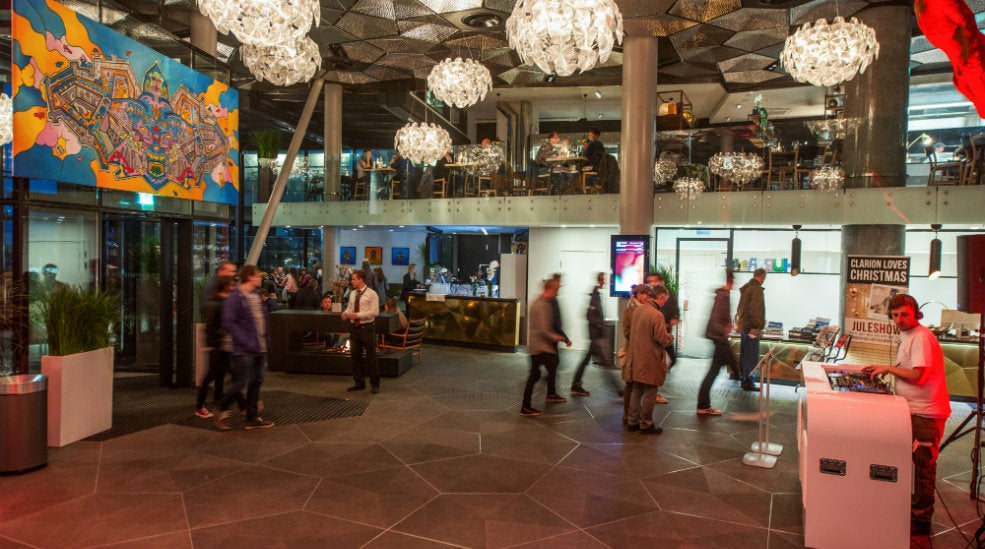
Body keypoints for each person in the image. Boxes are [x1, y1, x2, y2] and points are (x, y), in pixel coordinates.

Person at [863, 294, 951, 539]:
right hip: (916, 410)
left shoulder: (921, 337)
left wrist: (888, 368)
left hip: (926, 414)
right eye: (895, 315)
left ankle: (921, 519)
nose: (899, 320)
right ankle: (915, 513)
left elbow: (918, 376)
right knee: (916, 464)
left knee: (923, 467)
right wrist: (885, 369)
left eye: (904, 314)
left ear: (916, 314)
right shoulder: (909, 335)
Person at [214, 264, 274, 430]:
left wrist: (265, 341)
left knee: (256, 382)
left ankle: (252, 418)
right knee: (240, 382)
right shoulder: (236, 297)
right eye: (257, 275)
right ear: (250, 277)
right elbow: (228, 322)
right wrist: (245, 341)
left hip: (259, 348)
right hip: (245, 349)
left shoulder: (254, 295)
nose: (260, 278)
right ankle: (222, 407)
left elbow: (261, 319)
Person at [626, 284, 674, 434]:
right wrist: (670, 337)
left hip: (636, 357)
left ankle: (632, 421)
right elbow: (661, 339)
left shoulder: (638, 310)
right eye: (664, 300)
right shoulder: (656, 314)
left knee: (636, 390)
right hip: (650, 359)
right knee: (650, 391)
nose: (664, 303)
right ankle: (646, 424)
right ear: (660, 298)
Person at [520, 276, 571, 416]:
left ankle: (528, 404)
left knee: (538, 373)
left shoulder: (541, 302)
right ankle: (527, 405)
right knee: (541, 371)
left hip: (538, 346)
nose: (558, 293)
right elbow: (544, 330)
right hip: (541, 347)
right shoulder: (542, 304)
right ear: (550, 289)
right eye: (557, 289)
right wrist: (559, 337)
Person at [697, 269, 739, 416]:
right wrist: (724, 330)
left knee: (714, 370)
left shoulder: (723, 294)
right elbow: (716, 318)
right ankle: (742, 378)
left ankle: (703, 405)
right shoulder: (723, 295)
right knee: (720, 367)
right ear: (731, 281)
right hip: (719, 337)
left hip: (719, 336)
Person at [196, 274, 234, 419]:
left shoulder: (222, 302)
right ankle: (200, 406)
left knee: (223, 374)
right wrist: (212, 344)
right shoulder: (214, 304)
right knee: (210, 376)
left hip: (222, 345)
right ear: (225, 287)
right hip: (217, 346)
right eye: (231, 285)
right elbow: (210, 326)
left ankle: (221, 401)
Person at [570, 272, 614, 397]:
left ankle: (576, 383)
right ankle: (618, 391)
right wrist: (601, 324)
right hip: (596, 336)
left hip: (596, 336)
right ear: (598, 280)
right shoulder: (594, 296)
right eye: (602, 279)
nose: (604, 282)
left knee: (587, 361)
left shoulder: (596, 295)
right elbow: (589, 315)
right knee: (605, 366)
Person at [341, 269, 381, 393]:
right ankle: (359, 382)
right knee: (355, 356)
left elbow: (375, 312)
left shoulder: (372, 294)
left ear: (361, 280)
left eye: (353, 279)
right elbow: (350, 308)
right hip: (354, 329)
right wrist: (346, 313)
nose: (351, 281)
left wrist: (358, 315)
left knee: (371, 357)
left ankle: (375, 384)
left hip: (367, 328)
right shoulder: (353, 293)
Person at [736, 268, 767, 392]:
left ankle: (745, 379)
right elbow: (756, 310)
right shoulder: (757, 290)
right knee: (751, 356)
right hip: (752, 328)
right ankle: (749, 382)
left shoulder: (746, 289)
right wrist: (757, 326)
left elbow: (740, 309)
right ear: (762, 277)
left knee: (745, 355)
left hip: (744, 327)